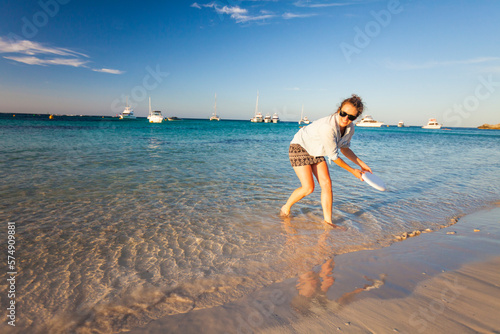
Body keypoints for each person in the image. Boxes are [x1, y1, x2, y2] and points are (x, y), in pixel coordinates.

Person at [280, 94, 372, 227]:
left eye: (351, 117)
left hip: (317, 149)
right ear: (338, 109)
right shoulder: (328, 127)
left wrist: (362, 164)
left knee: (327, 184)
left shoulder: (350, 128)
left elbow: (345, 149)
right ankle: (286, 207)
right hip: (300, 147)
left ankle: (328, 222)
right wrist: (353, 171)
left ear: (356, 118)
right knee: (308, 188)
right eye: (343, 113)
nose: (346, 118)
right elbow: (334, 157)